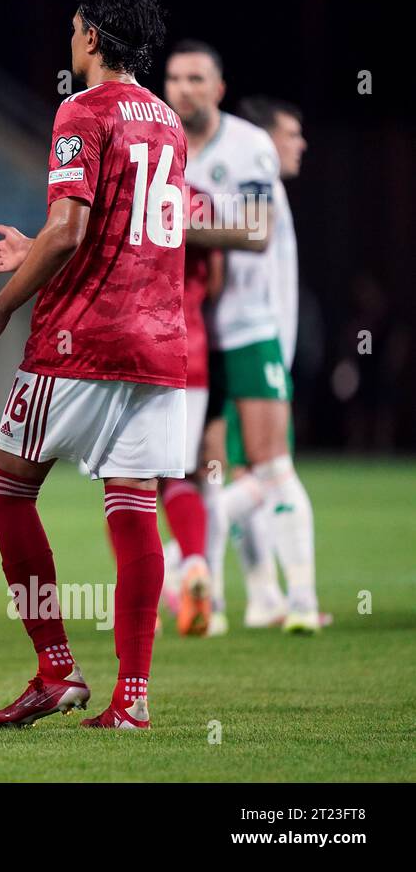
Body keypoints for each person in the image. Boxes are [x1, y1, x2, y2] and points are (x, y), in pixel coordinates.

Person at [0, 0, 183, 730]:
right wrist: (45, 246)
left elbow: (70, 228)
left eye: (73, 27)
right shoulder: (167, 121)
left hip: (80, 339)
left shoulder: (81, 109)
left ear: (91, 35)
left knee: (7, 491)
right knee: (134, 511)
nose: (70, 39)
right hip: (158, 340)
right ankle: (133, 698)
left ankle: (56, 668)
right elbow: (124, 231)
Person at [165, 42, 318, 634]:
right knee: (207, 471)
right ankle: (243, 599)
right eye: (175, 78)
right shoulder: (164, 147)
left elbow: (255, 231)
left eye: (197, 78)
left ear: (219, 87)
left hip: (251, 325)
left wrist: (173, 222)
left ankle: (297, 599)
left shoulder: (249, 146)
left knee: (270, 463)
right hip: (190, 334)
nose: (185, 89)